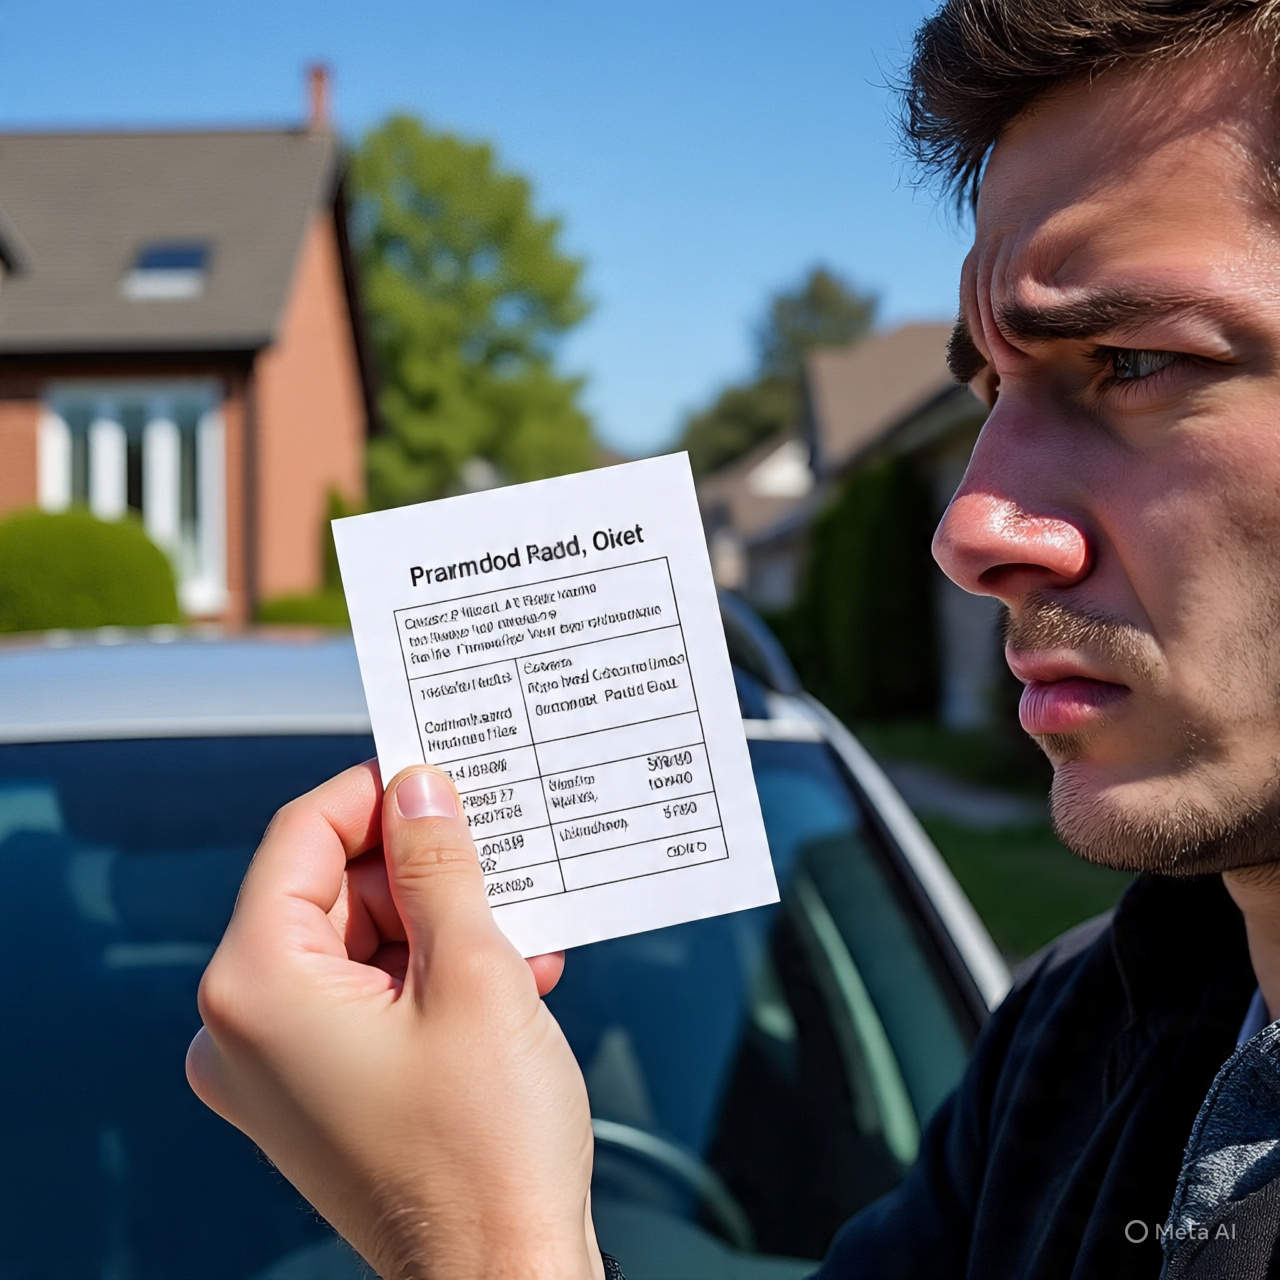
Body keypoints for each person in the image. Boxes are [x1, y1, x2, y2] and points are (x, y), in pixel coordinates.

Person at [187, 1, 1280, 1276]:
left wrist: (483, 1242)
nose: (969, 526)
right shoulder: (1074, 1041)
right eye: (987, 389)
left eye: (1132, 359)